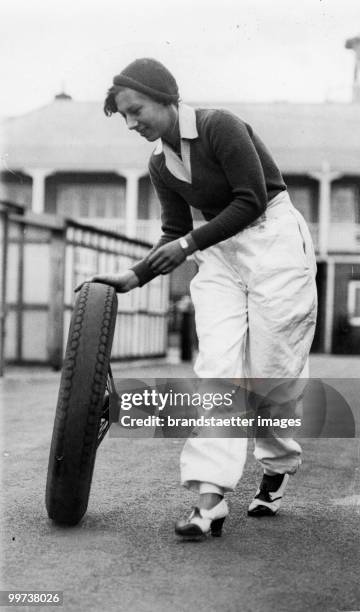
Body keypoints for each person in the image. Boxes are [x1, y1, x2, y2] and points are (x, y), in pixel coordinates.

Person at [78, 58, 318, 540]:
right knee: (217, 370)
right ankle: (209, 501)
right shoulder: (159, 163)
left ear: (166, 96)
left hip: (274, 236)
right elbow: (174, 230)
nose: (131, 123)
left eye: (136, 110)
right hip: (220, 254)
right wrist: (135, 275)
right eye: (124, 117)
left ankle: (277, 464)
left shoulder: (219, 126)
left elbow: (250, 200)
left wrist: (188, 245)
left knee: (271, 375)